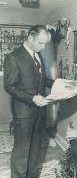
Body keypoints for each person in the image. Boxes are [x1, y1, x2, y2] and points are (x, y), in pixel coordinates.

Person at [3, 25, 54, 178]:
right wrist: (32, 98)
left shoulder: (38, 54)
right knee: (21, 153)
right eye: (41, 43)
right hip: (23, 113)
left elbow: (41, 79)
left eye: (46, 43)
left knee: (35, 150)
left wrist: (60, 84)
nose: (44, 47)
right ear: (30, 38)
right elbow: (9, 86)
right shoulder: (13, 57)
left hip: (39, 111)